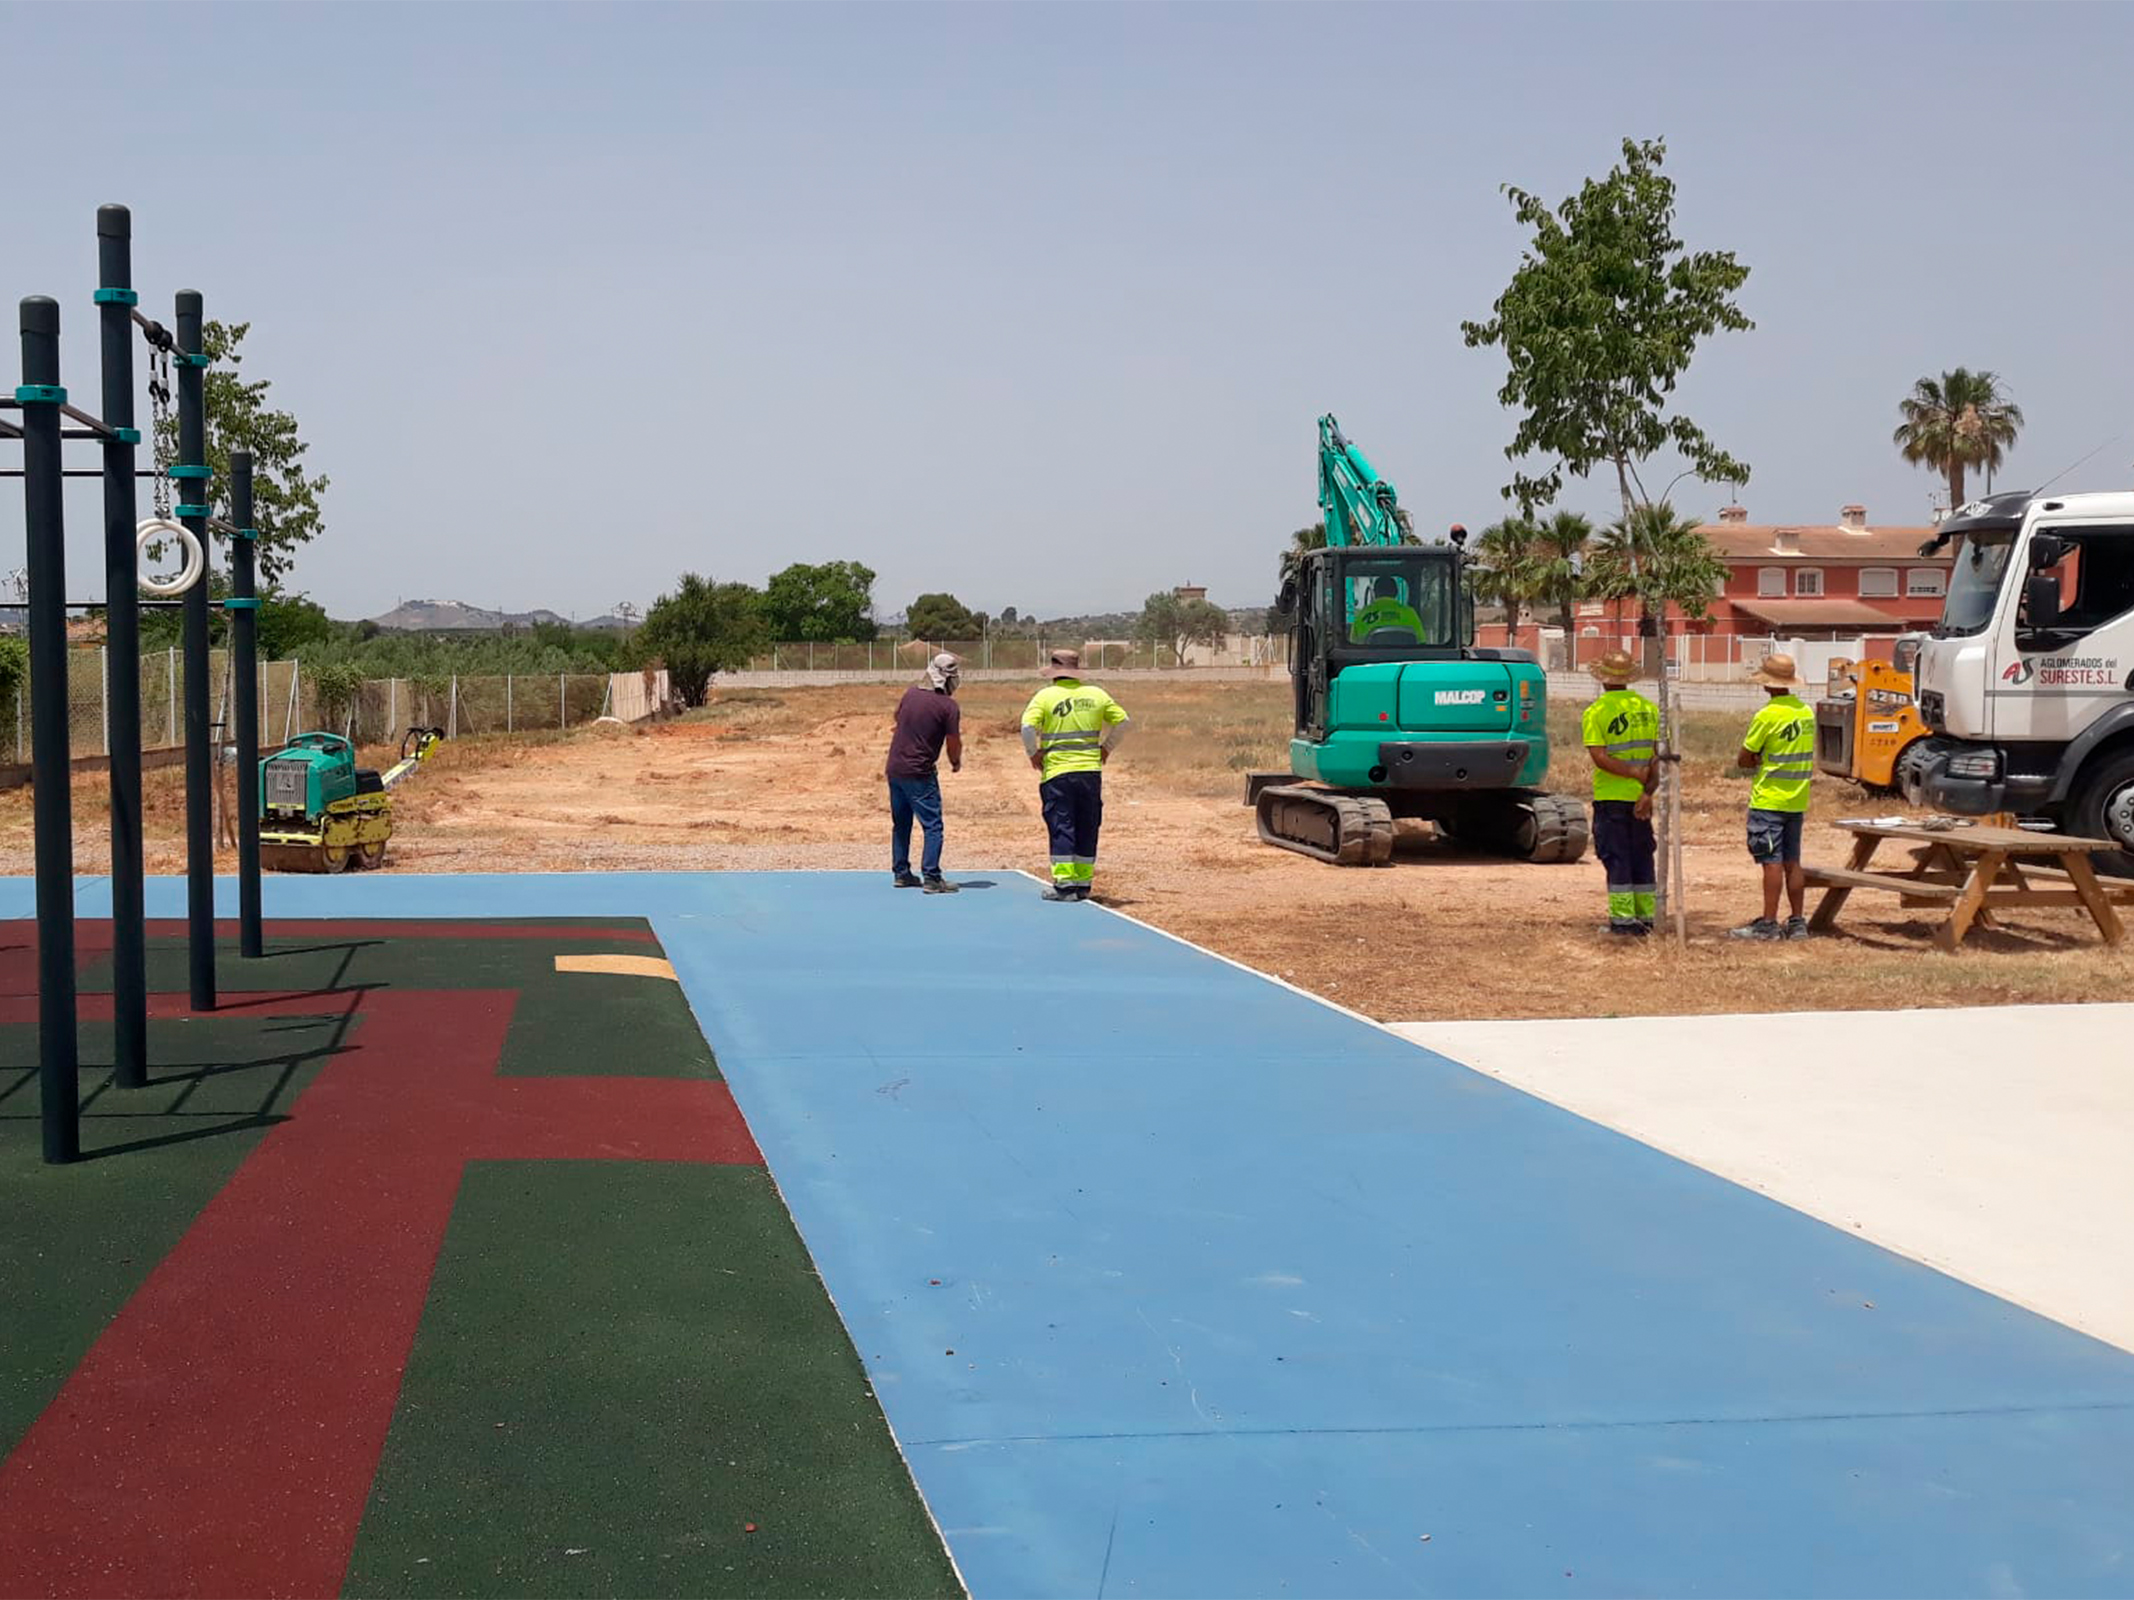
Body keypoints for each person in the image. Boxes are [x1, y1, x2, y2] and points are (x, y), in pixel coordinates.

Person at [1021, 649, 1130, 901]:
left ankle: (1064, 885)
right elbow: (1124, 721)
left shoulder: (1045, 697)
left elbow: (1027, 727)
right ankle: (1083, 884)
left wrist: (1033, 753)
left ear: (1053, 674)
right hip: (1090, 773)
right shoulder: (1097, 695)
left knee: (1062, 825)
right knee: (1087, 825)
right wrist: (1106, 748)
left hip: (1057, 773)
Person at [1732, 652, 1816, 940]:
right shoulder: (1805, 713)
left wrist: (1756, 759)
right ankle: (1797, 921)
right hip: (1797, 799)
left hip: (1769, 799)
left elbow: (1744, 758)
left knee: (1771, 861)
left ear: (1767, 684)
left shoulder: (1767, 715)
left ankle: (1768, 923)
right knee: (1793, 861)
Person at [1580, 650, 1660, 936]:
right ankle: (1647, 916)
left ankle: (1623, 921)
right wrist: (1648, 792)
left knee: (1616, 857)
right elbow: (1657, 757)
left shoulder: (1596, 712)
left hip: (1611, 798)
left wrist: (1630, 773)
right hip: (1641, 799)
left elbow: (1599, 757)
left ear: (1602, 678)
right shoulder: (1649, 709)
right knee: (1642, 855)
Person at [884, 652, 963, 894]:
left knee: (901, 823)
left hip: (895, 768)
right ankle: (931, 877)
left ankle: (901, 873)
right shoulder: (948, 706)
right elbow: (953, 741)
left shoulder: (910, 694)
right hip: (920, 773)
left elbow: (897, 718)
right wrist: (955, 762)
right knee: (933, 825)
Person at [1349, 574, 1425, 643]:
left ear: (1375, 592)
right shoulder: (1410, 613)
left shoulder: (1362, 615)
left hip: (1371, 657)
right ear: (1396, 592)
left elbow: (1353, 645)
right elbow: (1422, 642)